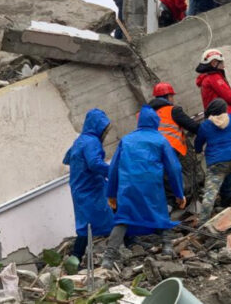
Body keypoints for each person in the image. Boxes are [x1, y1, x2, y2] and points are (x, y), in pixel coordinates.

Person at [101, 106, 186, 268]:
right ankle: (167, 247)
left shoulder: (126, 140)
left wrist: (111, 193)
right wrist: (179, 193)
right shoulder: (161, 140)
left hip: (128, 187)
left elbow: (113, 168)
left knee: (123, 218)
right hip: (152, 186)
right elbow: (174, 168)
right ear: (156, 122)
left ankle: (108, 258)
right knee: (159, 213)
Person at [63, 109, 114, 263]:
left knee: (86, 223)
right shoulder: (92, 142)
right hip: (91, 187)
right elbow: (94, 163)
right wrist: (113, 171)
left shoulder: (80, 140)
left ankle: (76, 258)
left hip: (80, 187)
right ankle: (127, 244)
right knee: (113, 212)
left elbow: (67, 158)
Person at [148, 82, 201, 200]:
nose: (173, 99)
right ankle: (187, 198)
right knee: (182, 175)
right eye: (172, 96)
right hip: (171, 149)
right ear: (168, 97)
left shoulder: (149, 114)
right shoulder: (173, 110)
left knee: (168, 179)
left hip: (154, 152)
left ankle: (174, 202)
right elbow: (193, 126)